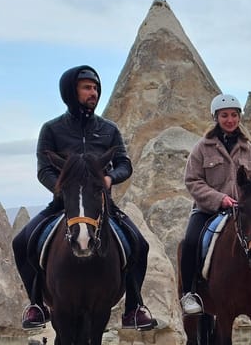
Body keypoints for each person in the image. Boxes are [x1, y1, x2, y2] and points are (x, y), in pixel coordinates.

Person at [11, 65, 156, 330]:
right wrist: (63, 189)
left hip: (102, 206)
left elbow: (124, 163)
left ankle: (133, 307)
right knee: (22, 242)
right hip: (62, 205)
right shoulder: (52, 129)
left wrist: (110, 178)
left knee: (140, 246)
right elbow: (43, 169)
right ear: (71, 91)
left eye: (96, 88)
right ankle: (36, 304)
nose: (94, 93)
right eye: (87, 87)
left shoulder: (108, 129)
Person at [178, 93, 251, 315]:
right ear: (216, 117)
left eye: (234, 115)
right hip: (208, 210)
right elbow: (192, 181)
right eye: (225, 115)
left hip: (244, 211)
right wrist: (219, 199)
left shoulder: (248, 148)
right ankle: (189, 293)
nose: (230, 120)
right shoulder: (202, 148)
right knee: (190, 241)